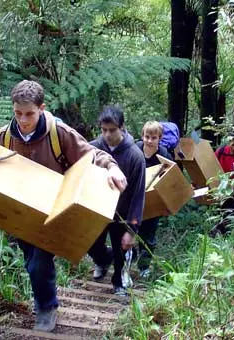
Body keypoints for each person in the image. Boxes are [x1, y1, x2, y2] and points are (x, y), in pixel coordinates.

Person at [0, 80, 127, 332]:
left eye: (30, 114)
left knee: (39, 262)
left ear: (42, 108)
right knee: (30, 260)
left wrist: (113, 167)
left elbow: (91, 154)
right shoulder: (4, 137)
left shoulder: (58, 133)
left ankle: (47, 307)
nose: (23, 120)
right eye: (18, 113)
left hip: (54, 210)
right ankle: (45, 297)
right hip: (21, 212)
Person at [87, 105, 146, 296]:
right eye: (103, 130)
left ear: (122, 127)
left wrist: (132, 230)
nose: (107, 135)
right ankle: (102, 261)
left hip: (121, 212)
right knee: (92, 245)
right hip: (96, 210)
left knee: (121, 248)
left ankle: (119, 282)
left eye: (112, 130)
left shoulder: (135, 156)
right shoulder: (93, 148)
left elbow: (138, 195)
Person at [135, 121, 172, 278]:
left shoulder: (164, 155)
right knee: (129, 231)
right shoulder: (135, 150)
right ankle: (127, 261)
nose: (149, 141)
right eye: (147, 137)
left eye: (154, 137)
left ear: (160, 138)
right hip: (134, 200)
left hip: (153, 202)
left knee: (148, 236)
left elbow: (170, 179)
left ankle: (144, 266)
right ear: (142, 136)